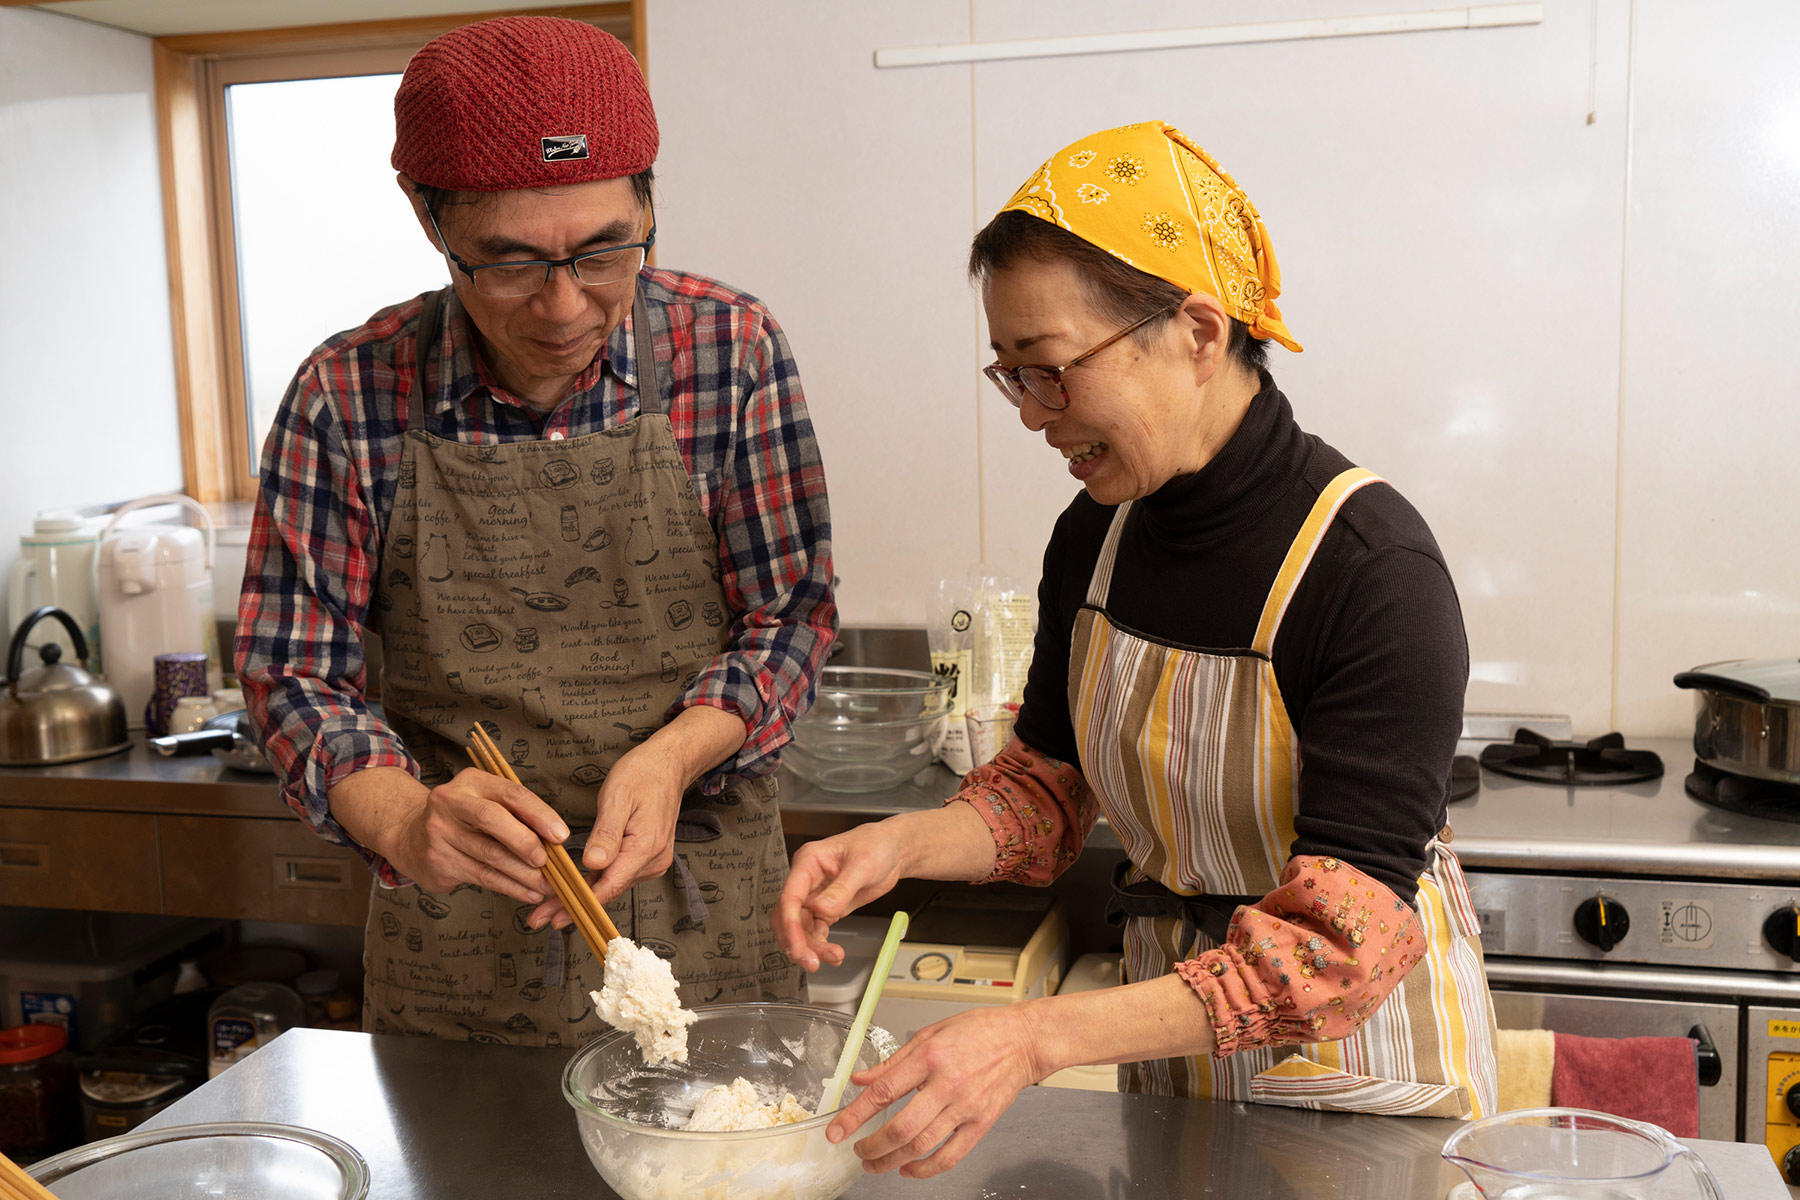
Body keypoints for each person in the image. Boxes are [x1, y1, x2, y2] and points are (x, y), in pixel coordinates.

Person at [774, 120, 1496, 1178]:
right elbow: (1046, 794)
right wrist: (899, 846)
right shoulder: (1099, 536)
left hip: (1359, 1086)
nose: (1032, 416)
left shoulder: (1368, 567)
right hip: (1173, 1061)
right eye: (1010, 374)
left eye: (1053, 370)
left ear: (1199, 331)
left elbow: (1333, 953)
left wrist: (1032, 1039)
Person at [237, 16, 835, 1045]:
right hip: (461, 934)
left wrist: (671, 759)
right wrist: (409, 820)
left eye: (607, 251)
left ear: (651, 200)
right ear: (431, 223)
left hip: (711, 913)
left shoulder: (729, 351)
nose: (564, 306)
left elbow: (789, 618)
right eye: (509, 264)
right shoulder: (347, 394)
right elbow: (294, 677)